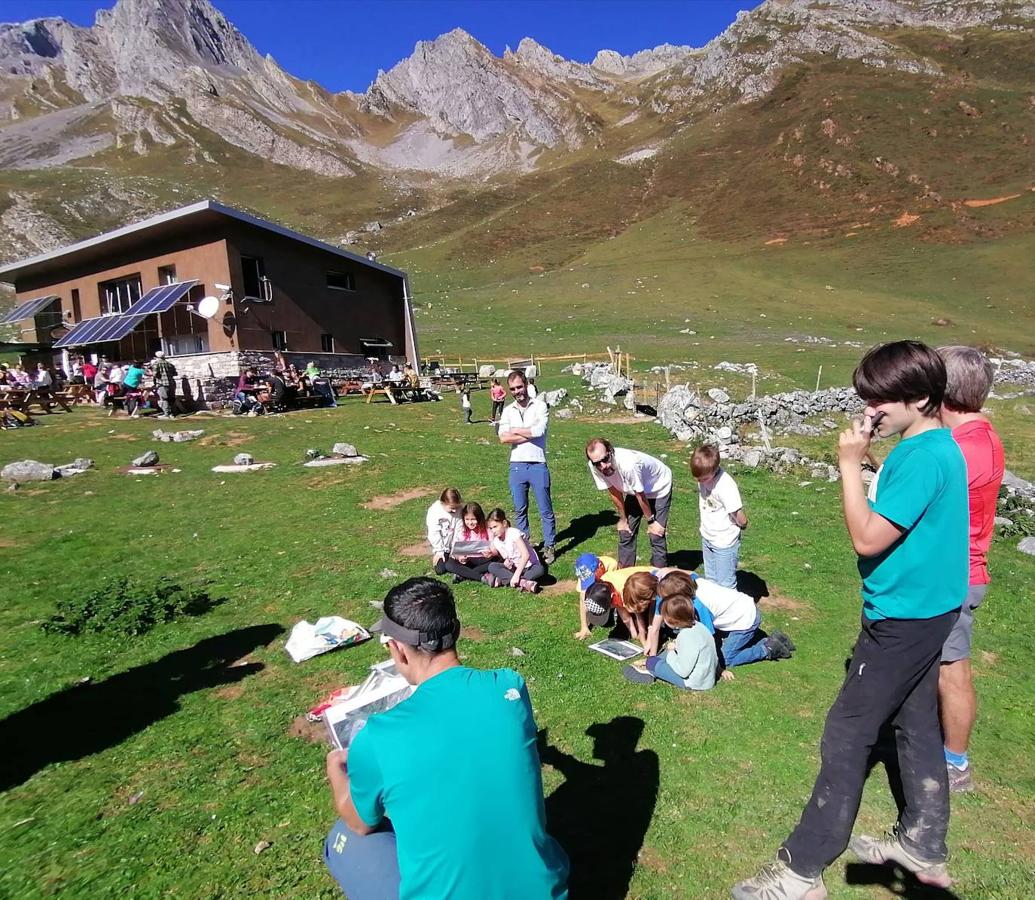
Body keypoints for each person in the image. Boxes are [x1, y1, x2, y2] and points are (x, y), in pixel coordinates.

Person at [733, 341, 968, 900]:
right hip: (928, 610)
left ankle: (800, 871)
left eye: (879, 399)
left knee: (847, 732)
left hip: (903, 618)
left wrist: (845, 466)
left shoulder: (926, 456)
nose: (868, 410)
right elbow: (906, 503)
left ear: (920, 396)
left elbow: (867, 537)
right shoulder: (933, 447)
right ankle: (923, 844)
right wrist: (869, 464)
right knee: (914, 724)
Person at [323, 577, 569, 899]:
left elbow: (361, 822)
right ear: (456, 630)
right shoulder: (509, 688)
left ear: (397, 650)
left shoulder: (378, 736)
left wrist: (335, 769)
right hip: (543, 893)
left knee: (343, 835)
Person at [936, 346, 1005, 793]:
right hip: (959, 570)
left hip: (954, 575)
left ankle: (955, 763)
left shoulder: (964, 450)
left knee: (952, 668)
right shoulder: (981, 438)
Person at [658, 570, 792, 668]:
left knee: (726, 659)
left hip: (745, 622)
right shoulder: (693, 581)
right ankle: (773, 639)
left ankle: (767, 649)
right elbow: (690, 572)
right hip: (744, 606)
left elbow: (708, 636)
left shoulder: (700, 606)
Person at [498, 370, 556, 565]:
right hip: (517, 465)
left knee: (545, 508)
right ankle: (525, 545)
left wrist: (514, 431)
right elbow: (502, 437)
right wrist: (528, 433)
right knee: (519, 508)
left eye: (519, 387)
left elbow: (540, 430)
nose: (517, 391)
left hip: (538, 463)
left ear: (526, 385)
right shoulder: (508, 410)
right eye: (513, 389)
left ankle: (549, 546)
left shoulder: (540, 406)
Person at [585, 438, 672, 568]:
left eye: (605, 459)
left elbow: (640, 495)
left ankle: (659, 576)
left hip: (658, 486)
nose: (603, 466)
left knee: (656, 533)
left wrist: (651, 521)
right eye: (597, 463)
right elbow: (614, 491)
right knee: (626, 530)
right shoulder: (595, 467)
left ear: (610, 452)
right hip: (635, 489)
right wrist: (623, 519)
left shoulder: (628, 464)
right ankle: (624, 574)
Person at [623, 592, 719, 691]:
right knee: (668, 651)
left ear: (671, 619)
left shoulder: (686, 636)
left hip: (693, 682)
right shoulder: (700, 627)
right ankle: (654, 664)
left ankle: (649, 668)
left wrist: (671, 653)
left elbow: (683, 671)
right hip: (708, 678)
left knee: (653, 662)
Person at [690, 444, 747, 589]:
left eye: (703, 479)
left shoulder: (725, 486)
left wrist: (743, 523)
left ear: (714, 470)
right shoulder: (703, 477)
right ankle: (714, 610)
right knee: (711, 580)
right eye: (697, 479)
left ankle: (730, 611)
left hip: (724, 541)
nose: (700, 482)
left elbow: (738, 514)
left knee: (725, 585)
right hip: (708, 536)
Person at [572, 551, 659, 642]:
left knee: (650, 610)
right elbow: (583, 599)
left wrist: (642, 634)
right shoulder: (588, 575)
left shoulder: (615, 574)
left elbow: (634, 608)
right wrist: (584, 627)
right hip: (623, 589)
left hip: (652, 579)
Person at [484, 508, 544, 593]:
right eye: (490, 528)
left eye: (495, 527)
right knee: (492, 566)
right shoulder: (496, 541)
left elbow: (526, 555)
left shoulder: (513, 533)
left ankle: (503, 580)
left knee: (540, 570)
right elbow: (508, 558)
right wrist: (508, 564)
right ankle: (523, 583)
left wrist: (516, 575)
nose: (493, 531)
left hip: (529, 566)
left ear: (504, 523)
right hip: (515, 568)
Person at [444, 502, 495, 583]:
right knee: (449, 565)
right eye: (467, 519)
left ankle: (463, 574)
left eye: (473, 519)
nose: (470, 523)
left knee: (495, 563)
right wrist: (460, 557)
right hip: (469, 560)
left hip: (484, 559)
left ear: (479, 518)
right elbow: (456, 549)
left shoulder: (487, 528)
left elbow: (494, 545)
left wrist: (491, 553)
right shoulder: (463, 529)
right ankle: (480, 577)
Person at [427, 488, 463, 576]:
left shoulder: (459, 510)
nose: (454, 511)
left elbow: (459, 530)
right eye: (451, 508)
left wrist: (455, 550)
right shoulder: (434, 511)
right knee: (440, 569)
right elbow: (434, 533)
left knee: (457, 562)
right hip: (442, 547)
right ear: (443, 503)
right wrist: (439, 551)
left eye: (456, 507)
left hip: (454, 545)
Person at [152, 351, 178, 419]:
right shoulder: (169, 364)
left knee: (164, 399)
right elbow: (175, 373)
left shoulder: (156, 364)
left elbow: (155, 374)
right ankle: (173, 414)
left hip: (162, 383)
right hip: (171, 383)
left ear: (156, 357)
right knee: (172, 399)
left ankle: (166, 414)